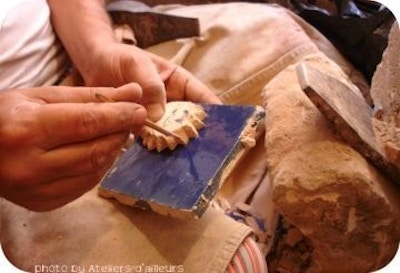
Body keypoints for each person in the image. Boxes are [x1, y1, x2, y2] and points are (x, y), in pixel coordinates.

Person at [0, 0, 266, 272]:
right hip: (16, 161)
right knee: (235, 261)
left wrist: (96, 52)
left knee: (282, 40)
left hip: (81, 60)